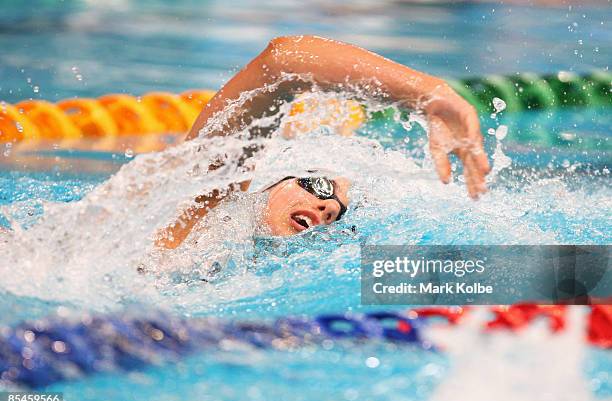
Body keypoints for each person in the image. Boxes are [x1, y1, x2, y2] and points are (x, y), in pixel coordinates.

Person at [156, 35, 490, 249]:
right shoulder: (197, 218)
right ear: (274, 181)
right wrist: (430, 95)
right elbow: (280, 62)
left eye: (341, 214)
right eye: (319, 185)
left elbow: (514, 277)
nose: (330, 207)